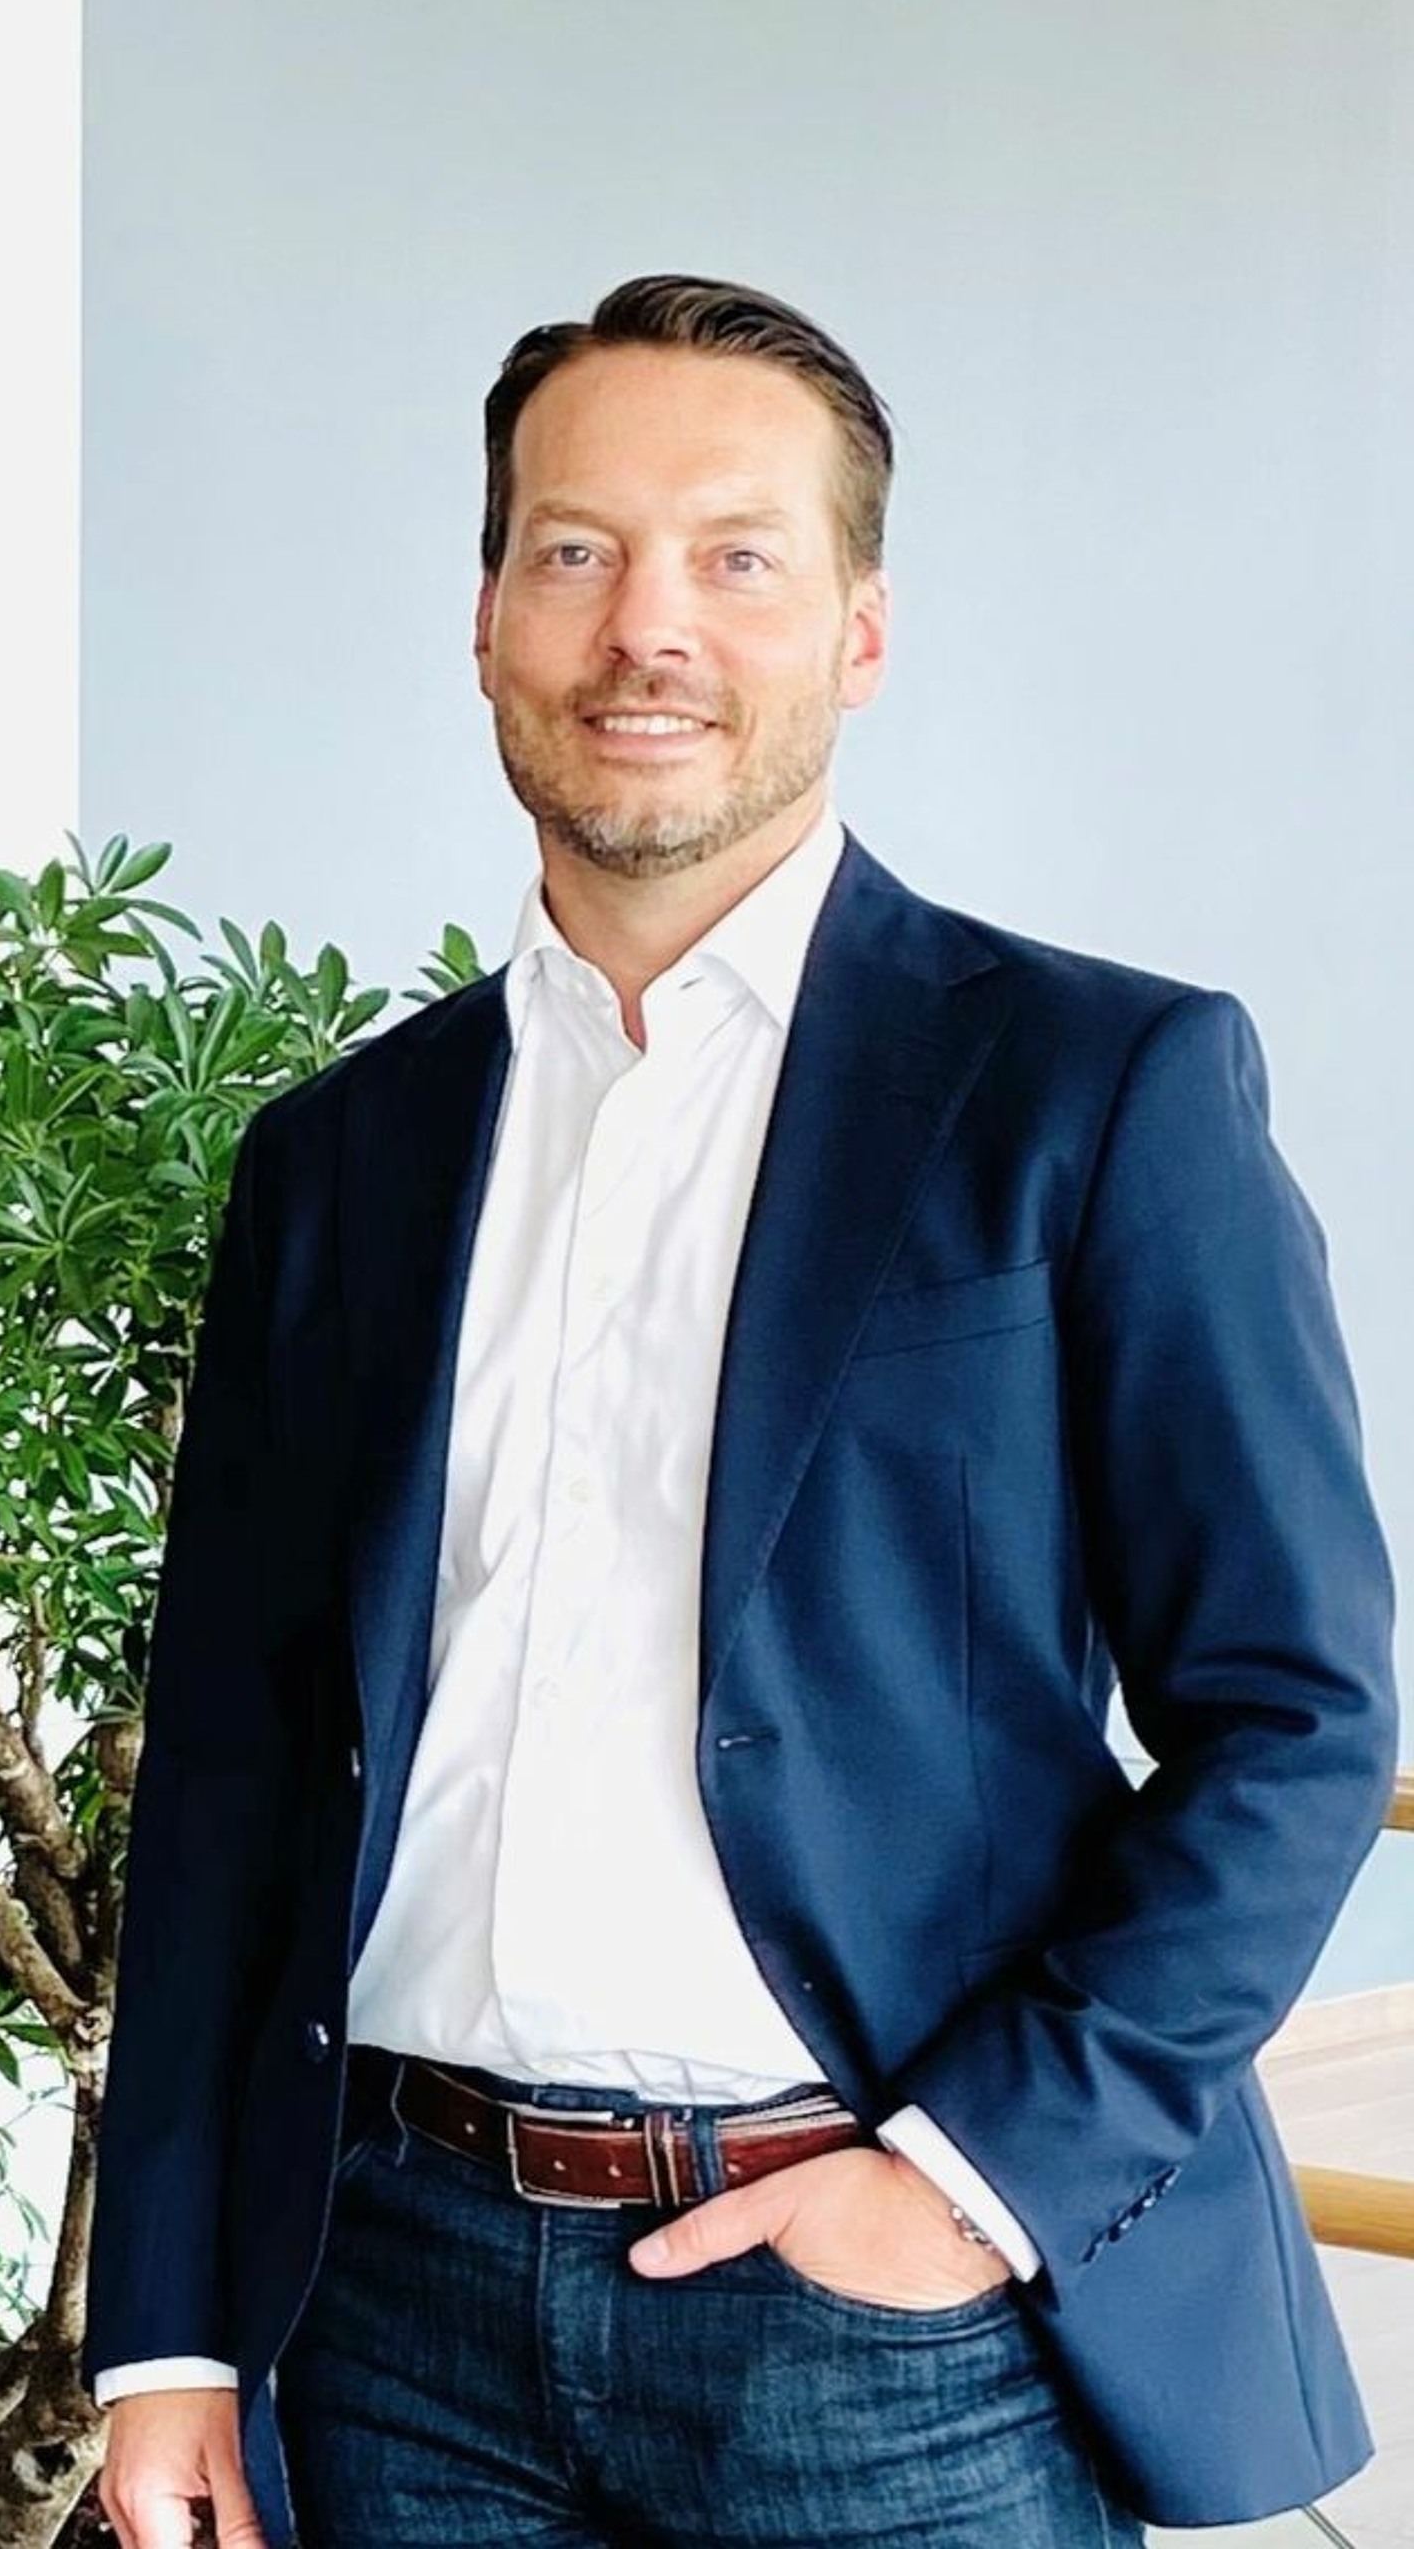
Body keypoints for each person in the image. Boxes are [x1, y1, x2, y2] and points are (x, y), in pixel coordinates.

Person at [89, 274, 1396, 2546]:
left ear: (860, 632)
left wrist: (967, 2187)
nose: (646, 628)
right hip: (390, 2313)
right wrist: (172, 2333)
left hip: (891, 2327)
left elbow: (1292, 1717)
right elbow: (230, 1761)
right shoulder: (344, 1160)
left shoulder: (1095, 1092)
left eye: (737, 557)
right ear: (486, 619)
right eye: (575, 551)